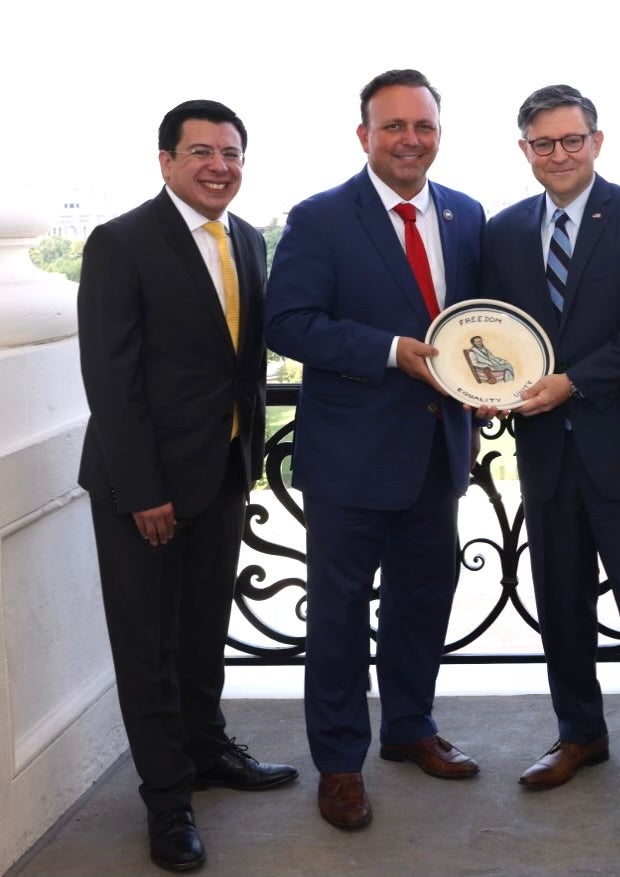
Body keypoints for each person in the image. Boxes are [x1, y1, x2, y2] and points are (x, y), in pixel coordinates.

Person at [77, 99, 297, 872]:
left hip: (222, 475)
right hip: (145, 488)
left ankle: (207, 752)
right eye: (201, 151)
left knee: (204, 634)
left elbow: (240, 363)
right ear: (166, 160)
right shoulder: (121, 241)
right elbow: (111, 377)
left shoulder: (245, 239)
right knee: (150, 648)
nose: (219, 165)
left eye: (232, 152)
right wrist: (143, 489)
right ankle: (168, 800)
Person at [476, 84, 620, 823]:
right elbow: (497, 334)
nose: (560, 154)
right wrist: (487, 386)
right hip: (545, 455)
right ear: (525, 151)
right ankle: (580, 735)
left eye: (573, 140)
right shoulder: (503, 231)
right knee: (561, 605)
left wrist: (572, 382)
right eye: (544, 143)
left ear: (597, 142)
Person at [265, 69, 484, 830]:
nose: (409, 139)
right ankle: (339, 765)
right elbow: (287, 322)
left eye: (422, 126)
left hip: (437, 454)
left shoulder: (465, 214)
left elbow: (477, 327)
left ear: (437, 135)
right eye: (393, 126)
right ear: (364, 136)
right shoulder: (321, 217)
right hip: (350, 462)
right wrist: (391, 349)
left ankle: (410, 729)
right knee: (337, 618)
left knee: (423, 605)